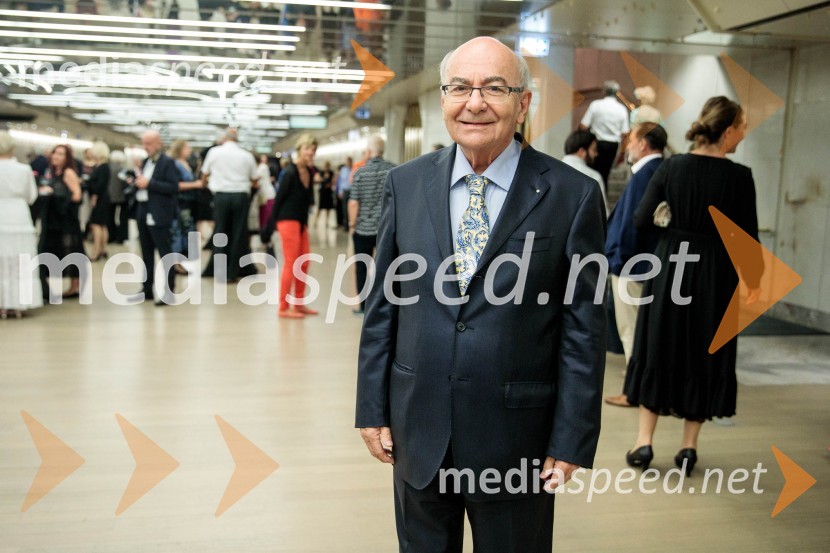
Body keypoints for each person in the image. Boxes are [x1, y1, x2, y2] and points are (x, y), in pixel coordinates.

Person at [355, 37, 606, 553]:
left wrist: (572, 436)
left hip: (518, 437)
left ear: (523, 103)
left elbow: (583, 329)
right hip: (417, 426)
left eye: (495, 88)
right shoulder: (405, 184)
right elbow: (382, 308)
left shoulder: (572, 195)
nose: (475, 103)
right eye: (460, 88)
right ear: (444, 97)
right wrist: (371, 406)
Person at [622, 97, 763, 475]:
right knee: (705, 351)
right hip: (716, 273)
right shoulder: (739, 176)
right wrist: (754, 283)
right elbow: (747, 239)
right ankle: (687, 448)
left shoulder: (672, 166)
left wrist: (671, 232)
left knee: (658, 344)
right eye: (744, 125)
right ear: (729, 131)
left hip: (671, 265)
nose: (745, 133)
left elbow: (640, 220)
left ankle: (643, 443)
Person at [603, 123, 667, 408]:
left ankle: (635, 391)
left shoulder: (644, 177)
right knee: (645, 331)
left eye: (630, 141)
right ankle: (644, 386)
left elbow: (632, 223)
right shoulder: (662, 172)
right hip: (651, 265)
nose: (627, 146)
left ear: (643, 144)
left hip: (631, 266)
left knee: (631, 331)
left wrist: (618, 259)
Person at [260, 134, 318, 319]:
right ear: (300, 150)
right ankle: (283, 307)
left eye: (313, 150)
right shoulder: (290, 172)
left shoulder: (309, 172)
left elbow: (308, 201)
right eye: (308, 148)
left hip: (301, 222)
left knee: (305, 261)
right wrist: (271, 226)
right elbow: (279, 200)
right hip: (287, 220)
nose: (311, 152)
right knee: (292, 262)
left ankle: (298, 303)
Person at [201, 129, 258, 281]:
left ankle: (218, 270)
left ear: (224, 138)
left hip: (221, 196)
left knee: (220, 232)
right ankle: (232, 272)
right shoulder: (246, 155)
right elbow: (254, 179)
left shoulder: (214, 152)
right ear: (237, 139)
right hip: (240, 196)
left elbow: (204, 174)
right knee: (238, 233)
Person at [347, 135, 395, 314]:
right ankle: (385, 305)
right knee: (386, 267)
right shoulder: (393, 170)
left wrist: (352, 224)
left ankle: (363, 305)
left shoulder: (360, 172)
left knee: (361, 267)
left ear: (368, 151)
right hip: (386, 229)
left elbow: (353, 202)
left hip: (362, 229)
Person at [134, 131, 181, 305]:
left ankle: (169, 291)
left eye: (149, 143)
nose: (146, 147)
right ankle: (147, 289)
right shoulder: (146, 162)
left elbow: (173, 186)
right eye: (143, 143)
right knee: (146, 252)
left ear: (158, 143)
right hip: (143, 209)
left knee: (164, 252)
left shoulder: (167, 163)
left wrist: (150, 184)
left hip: (159, 212)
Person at [0, 132, 43, 318]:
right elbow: (32, 196)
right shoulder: (24, 169)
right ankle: (19, 304)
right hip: (19, 216)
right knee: (21, 262)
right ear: (13, 148)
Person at [38, 144, 85, 299]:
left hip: (66, 219)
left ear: (67, 158)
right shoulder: (52, 172)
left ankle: (75, 286)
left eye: (60, 154)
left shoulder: (68, 173)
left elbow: (77, 195)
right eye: (54, 153)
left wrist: (58, 196)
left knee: (71, 250)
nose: (56, 156)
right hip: (54, 220)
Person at [579, 80, 630, 187]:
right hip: (613, 145)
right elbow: (625, 133)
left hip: (596, 143)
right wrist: (622, 152)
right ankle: (603, 198)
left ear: (603, 91)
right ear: (617, 92)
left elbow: (583, 126)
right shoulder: (622, 109)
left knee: (592, 172)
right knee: (605, 174)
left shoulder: (595, 105)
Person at [561, 129, 608, 216]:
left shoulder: (552, 170)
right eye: (594, 150)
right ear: (582, 151)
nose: (596, 154)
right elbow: (603, 213)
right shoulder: (593, 176)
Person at [86, 141, 112, 261]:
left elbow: (99, 184)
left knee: (96, 224)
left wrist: (94, 196)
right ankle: (103, 249)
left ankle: (96, 251)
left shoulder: (102, 167)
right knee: (102, 225)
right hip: (104, 197)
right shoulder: (104, 166)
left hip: (100, 198)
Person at [107, 150, 130, 244]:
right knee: (123, 218)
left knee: (110, 217)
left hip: (110, 196)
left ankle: (111, 235)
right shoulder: (124, 169)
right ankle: (121, 236)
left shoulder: (108, 168)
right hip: (123, 196)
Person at [313, 160, 336, 228]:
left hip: (328, 191)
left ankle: (327, 222)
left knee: (328, 208)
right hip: (323, 191)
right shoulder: (321, 172)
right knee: (320, 207)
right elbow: (317, 179)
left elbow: (333, 181)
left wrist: (330, 184)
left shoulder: (331, 173)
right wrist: (323, 180)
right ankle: (315, 221)